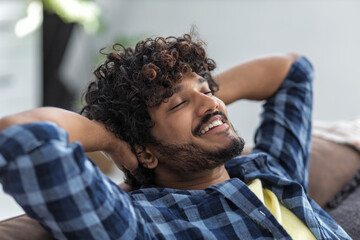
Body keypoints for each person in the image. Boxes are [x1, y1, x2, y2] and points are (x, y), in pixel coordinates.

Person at [0, 34, 350, 239]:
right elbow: (21, 134)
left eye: (207, 87)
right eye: (177, 103)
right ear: (146, 152)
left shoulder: (271, 170)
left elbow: (293, 71)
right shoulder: (142, 224)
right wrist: (110, 137)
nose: (212, 101)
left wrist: (204, 102)